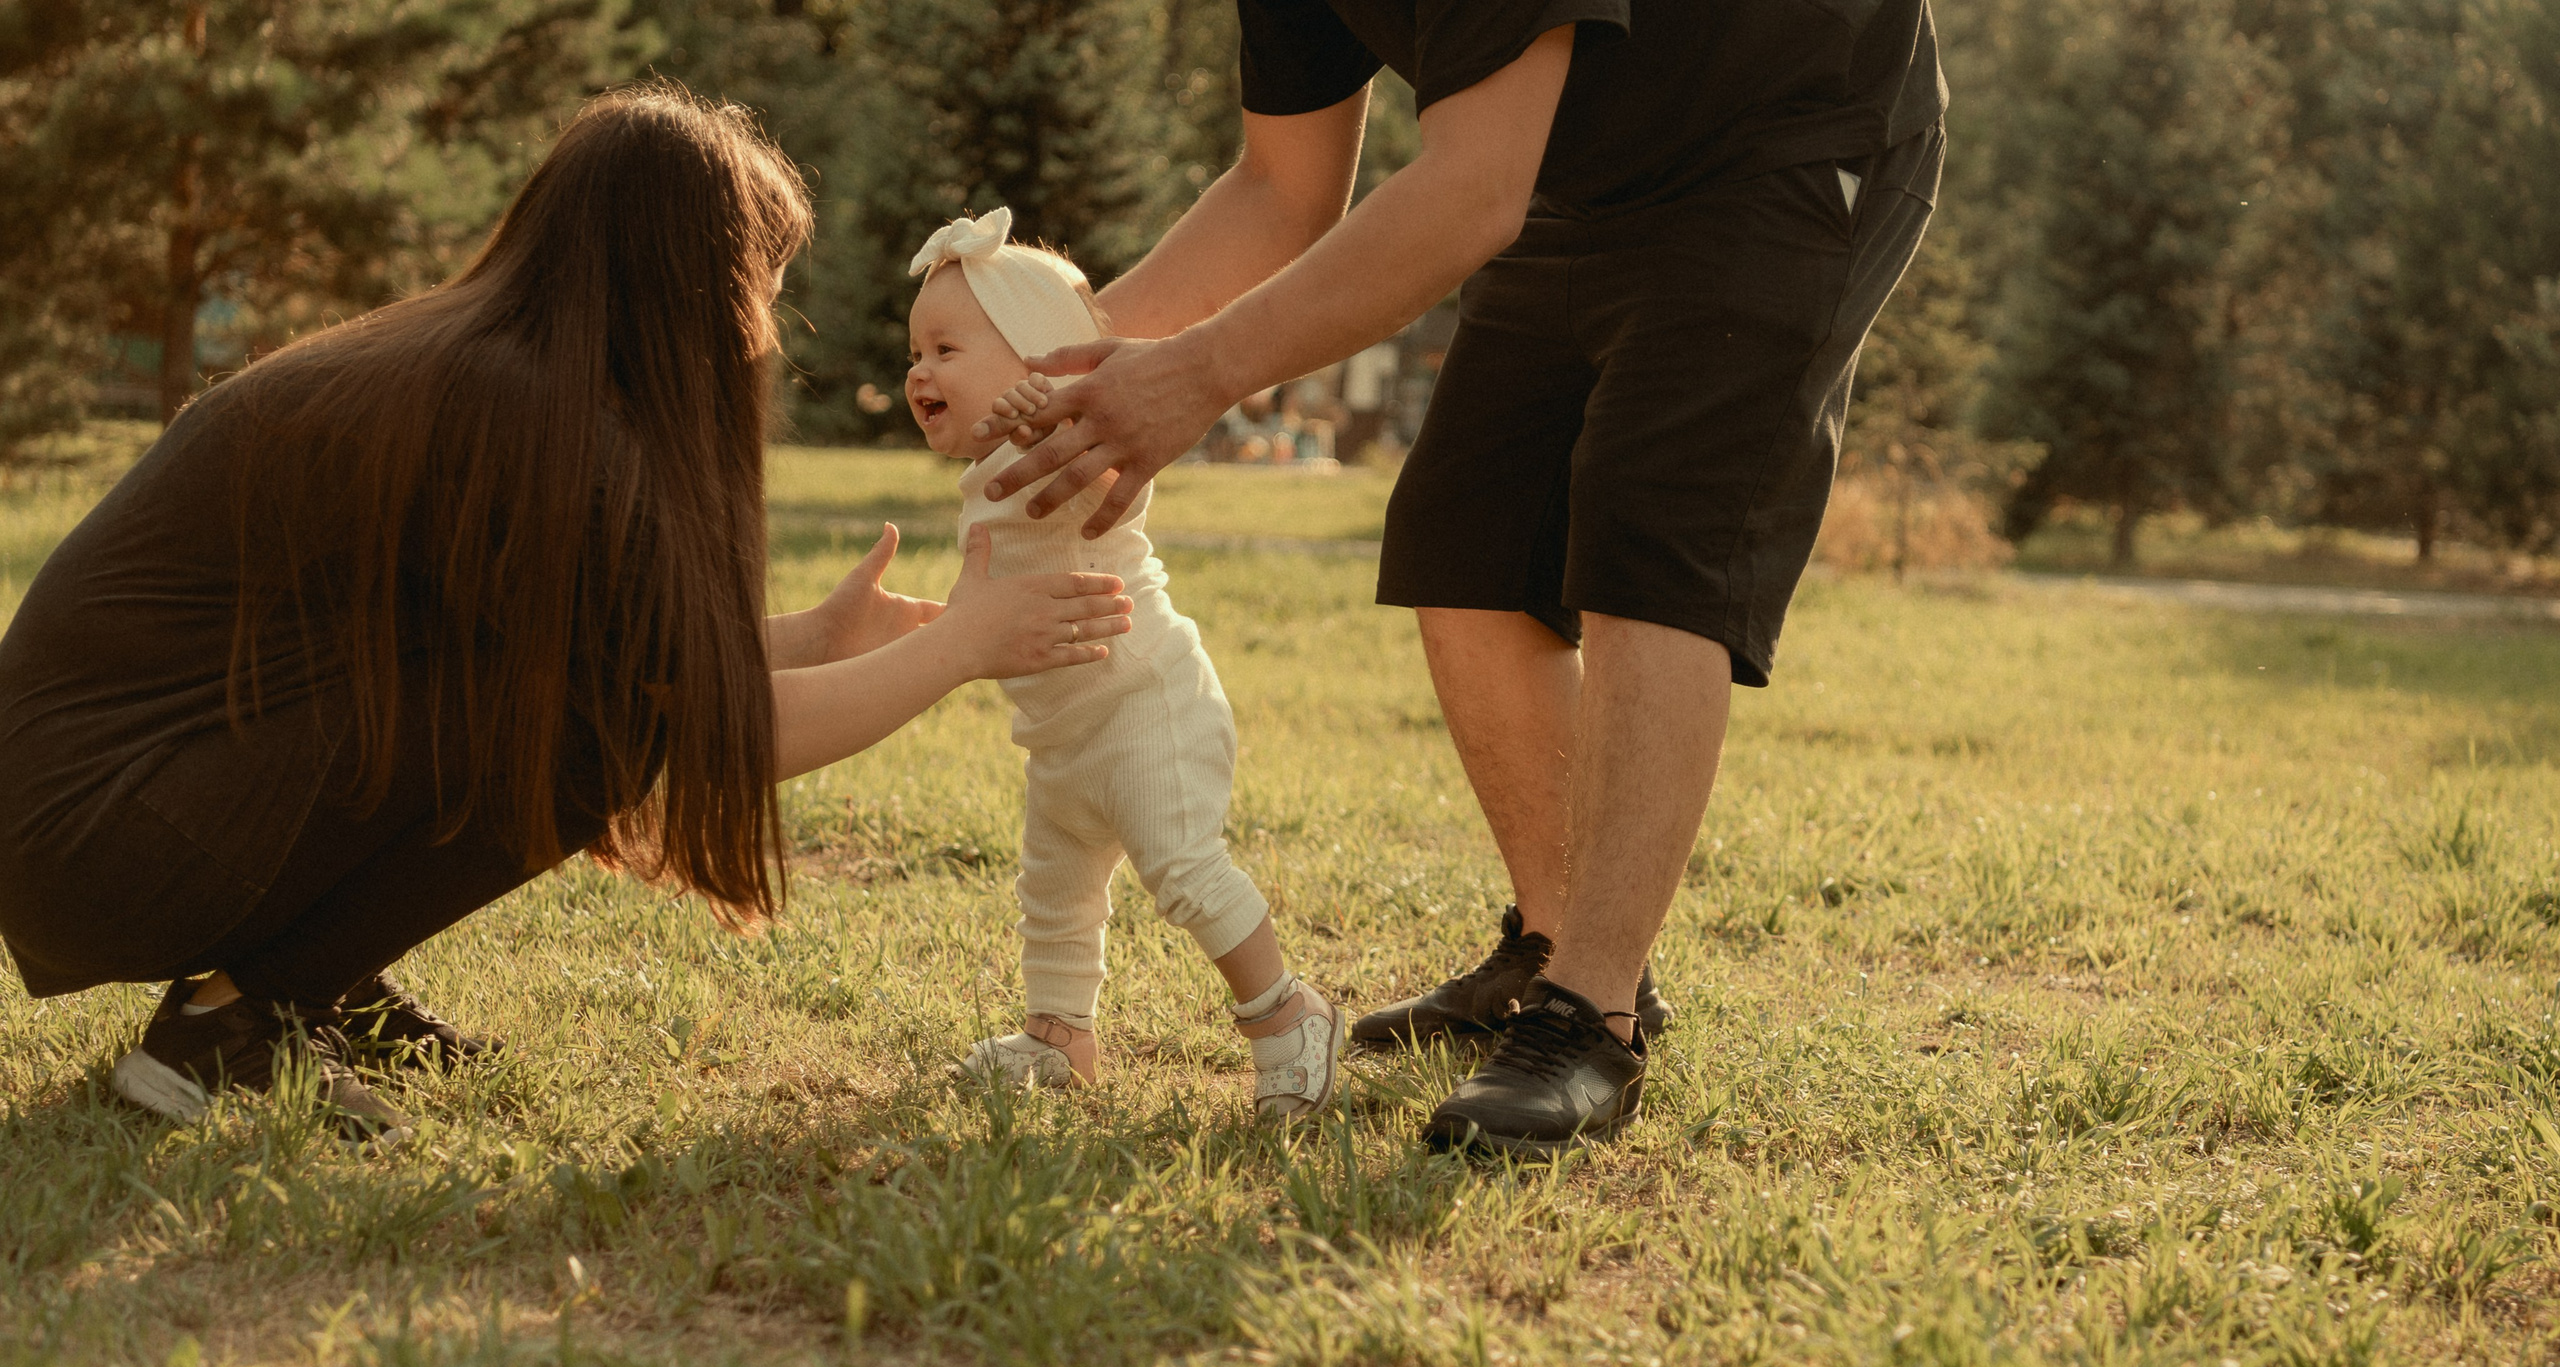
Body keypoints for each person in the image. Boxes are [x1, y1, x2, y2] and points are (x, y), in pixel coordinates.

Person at [0, 87, 1132, 1144]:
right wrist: (960, 645)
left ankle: (299, 979)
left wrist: (806, 639)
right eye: (764, 282)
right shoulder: (532, 422)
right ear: (689, 281)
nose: (770, 327)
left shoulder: (491, 379)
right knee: (589, 728)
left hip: (93, 814)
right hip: (103, 829)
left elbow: (625, 648)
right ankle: (236, 1022)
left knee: (560, 688)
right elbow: (694, 729)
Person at [975, 1, 1945, 1160]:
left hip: (1785, 135)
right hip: (1579, 173)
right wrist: (1037, 369)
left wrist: (1200, 374)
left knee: (1649, 529)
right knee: (1465, 537)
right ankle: (1550, 946)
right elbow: (1281, 187)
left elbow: (1474, 189)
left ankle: (1592, 1015)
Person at [905, 210, 1344, 1122]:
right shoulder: (984, 471)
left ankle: (1287, 1014)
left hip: (1146, 703)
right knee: (1054, 886)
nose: (920, 370)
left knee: (1183, 870)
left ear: (1041, 356)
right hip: (1063, 732)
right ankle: (1060, 1036)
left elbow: (1115, 489)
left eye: (948, 347)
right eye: (915, 350)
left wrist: (1042, 418)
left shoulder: (1078, 438)